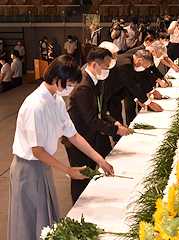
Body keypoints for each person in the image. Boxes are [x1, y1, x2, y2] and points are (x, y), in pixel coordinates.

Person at [8, 55, 114, 240]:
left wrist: (100, 160)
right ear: (57, 79)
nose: (71, 88)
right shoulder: (35, 106)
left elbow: (73, 135)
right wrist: (68, 170)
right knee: (29, 220)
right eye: (70, 83)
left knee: (44, 218)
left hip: (42, 166)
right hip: (28, 168)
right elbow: (37, 150)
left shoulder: (56, 101)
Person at [66, 47, 131, 204]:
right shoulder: (83, 85)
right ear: (95, 65)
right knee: (81, 176)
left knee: (90, 172)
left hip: (89, 135)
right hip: (78, 138)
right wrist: (116, 130)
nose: (107, 71)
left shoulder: (96, 81)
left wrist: (113, 122)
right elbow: (91, 119)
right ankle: (77, 210)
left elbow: (100, 111)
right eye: (105, 68)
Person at [104, 49, 163, 128]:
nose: (144, 69)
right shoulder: (125, 64)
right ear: (140, 60)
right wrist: (149, 103)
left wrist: (139, 99)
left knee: (117, 115)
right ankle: (117, 137)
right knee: (111, 118)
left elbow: (135, 81)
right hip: (108, 91)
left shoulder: (131, 60)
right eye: (145, 66)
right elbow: (132, 86)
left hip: (118, 91)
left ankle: (118, 136)